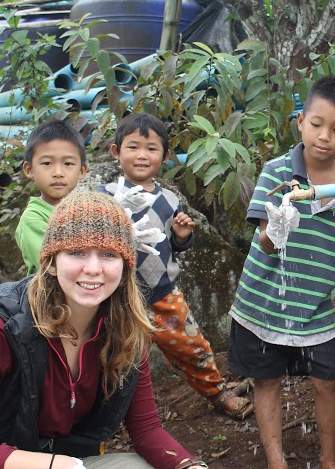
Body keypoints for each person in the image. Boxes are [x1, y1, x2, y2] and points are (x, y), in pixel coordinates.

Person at [0, 192, 208, 469]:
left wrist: (188, 465)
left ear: (125, 265)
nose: (93, 268)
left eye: (109, 254)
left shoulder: (128, 330)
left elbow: (146, 431)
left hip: (73, 461)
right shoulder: (2, 328)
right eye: (77, 252)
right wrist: (53, 464)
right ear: (50, 261)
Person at [228, 76, 335, 469]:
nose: (325, 136)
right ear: (301, 121)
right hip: (264, 304)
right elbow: (266, 245)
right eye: (317, 124)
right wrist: (279, 226)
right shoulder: (276, 173)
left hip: (317, 309)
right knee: (267, 380)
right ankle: (276, 461)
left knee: (328, 382)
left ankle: (328, 460)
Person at [97, 113, 252, 421]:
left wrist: (182, 236)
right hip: (114, 296)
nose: (142, 155)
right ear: (117, 152)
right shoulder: (106, 197)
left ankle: (217, 392)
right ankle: (102, 419)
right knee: (107, 356)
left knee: (191, 346)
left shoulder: (169, 199)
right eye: (133, 147)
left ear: (165, 156)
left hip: (162, 294)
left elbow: (173, 245)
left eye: (151, 148)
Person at [15, 119, 87, 275]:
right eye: (47, 163)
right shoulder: (33, 219)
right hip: (52, 296)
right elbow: (53, 268)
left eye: (68, 163)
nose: (58, 172)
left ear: (82, 170)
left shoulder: (86, 211)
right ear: (29, 169)